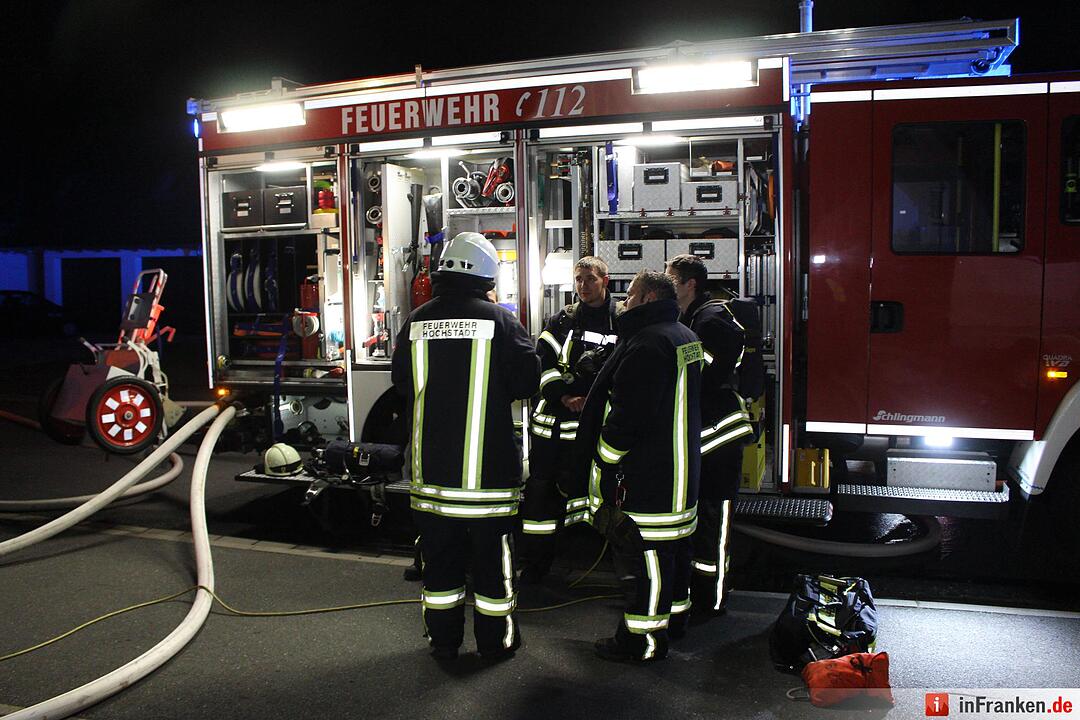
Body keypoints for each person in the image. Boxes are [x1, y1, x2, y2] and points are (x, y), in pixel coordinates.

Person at [391, 232, 540, 662]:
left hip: (432, 479)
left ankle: (444, 642)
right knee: (493, 570)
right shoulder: (502, 321)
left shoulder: (416, 320)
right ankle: (496, 643)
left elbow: (401, 382)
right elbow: (528, 381)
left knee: (440, 568)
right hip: (487, 481)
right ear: (486, 274)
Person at [575, 270, 702, 662]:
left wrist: (605, 458)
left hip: (649, 476)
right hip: (681, 472)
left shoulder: (648, 343)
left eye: (629, 296)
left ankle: (641, 641)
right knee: (675, 556)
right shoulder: (686, 338)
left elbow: (629, 416)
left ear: (647, 298)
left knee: (647, 561)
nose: (623, 303)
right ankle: (674, 622)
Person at [664, 254, 755, 634]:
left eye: (672, 281)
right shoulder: (695, 316)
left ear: (690, 284)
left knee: (715, 524)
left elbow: (703, 368)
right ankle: (699, 592)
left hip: (720, 434)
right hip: (707, 434)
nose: (669, 287)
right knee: (702, 520)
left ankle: (713, 600)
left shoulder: (711, 317)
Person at [519, 256, 620, 583]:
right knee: (541, 500)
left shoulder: (621, 320)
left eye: (590, 279)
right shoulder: (561, 321)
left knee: (599, 498)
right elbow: (542, 366)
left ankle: (620, 574)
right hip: (552, 431)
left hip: (595, 432)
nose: (583, 286)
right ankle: (535, 569)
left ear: (605, 280)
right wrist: (563, 395)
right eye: (578, 279)